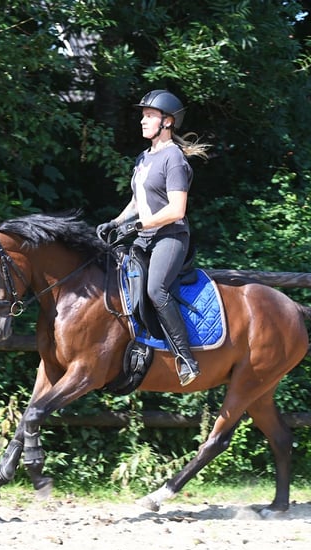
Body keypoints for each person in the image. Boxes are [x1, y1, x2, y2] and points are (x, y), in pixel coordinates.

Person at [96, 89, 211, 386]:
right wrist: (115, 221)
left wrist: (141, 225)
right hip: (144, 235)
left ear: (167, 122)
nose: (143, 121)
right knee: (119, 281)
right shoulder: (144, 158)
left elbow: (176, 209)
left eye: (149, 116)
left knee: (156, 290)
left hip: (170, 238)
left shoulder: (174, 159)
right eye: (143, 116)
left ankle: (186, 359)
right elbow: (137, 202)